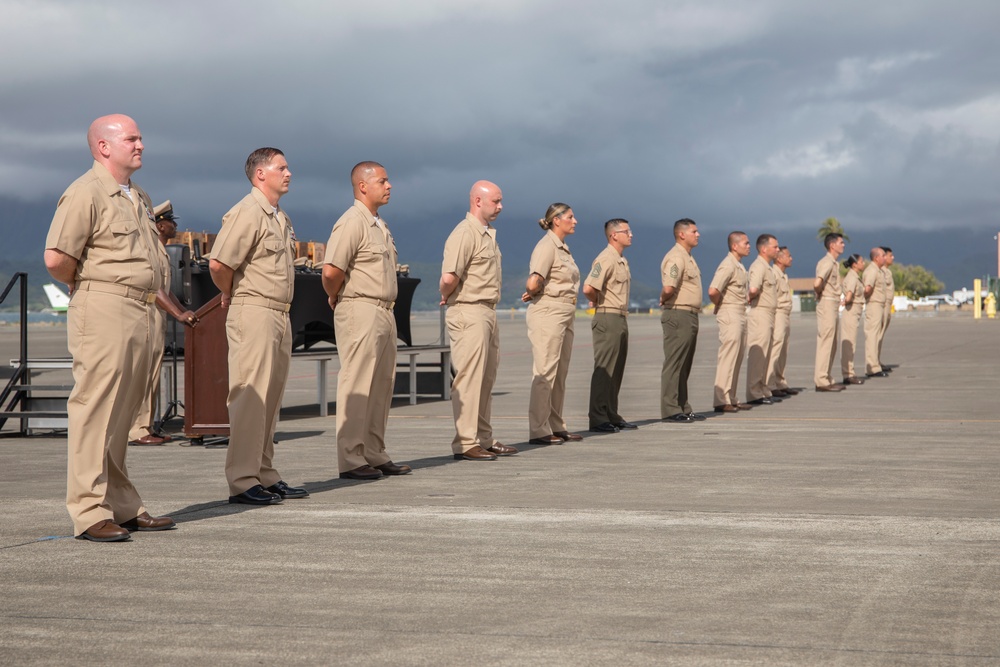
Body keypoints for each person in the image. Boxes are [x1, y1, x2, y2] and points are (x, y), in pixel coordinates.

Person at [43, 114, 176, 541]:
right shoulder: (86, 192)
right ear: (103, 146)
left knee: (122, 416)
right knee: (95, 410)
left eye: (140, 138)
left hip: (141, 311)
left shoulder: (136, 196)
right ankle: (88, 511)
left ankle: (121, 504)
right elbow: (57, 259)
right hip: (105, 307)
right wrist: (93, 290)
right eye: (131, 139)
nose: (140, 145)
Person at [209, 148, 308, 505]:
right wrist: (230, 292)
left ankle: (264, 472)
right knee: (250, 397)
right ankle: (242, 479)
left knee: (270, 399)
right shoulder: (248, 212)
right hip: (254, 310)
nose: (289, 173)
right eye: (281, 167)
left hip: (279, 313)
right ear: (260, 174)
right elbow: (220, 263)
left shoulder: (278, 217)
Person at [322, 162, 412, 480]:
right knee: (357, 384)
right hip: (361, 308)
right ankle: (351, 457)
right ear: (363, 185)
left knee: (381, 386)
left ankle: (374, 451)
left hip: (384, 311)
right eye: (383, 181)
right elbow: (331, 271)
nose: (389, 186)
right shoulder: (352, 222)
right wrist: (336, 296)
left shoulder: (379, 225)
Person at [440, 181, 518, 461]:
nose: (500, 206)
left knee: (485, 378)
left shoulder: (486, 234)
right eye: (495, 201)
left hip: (487, 311)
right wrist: (447, 296)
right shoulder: (465, 233)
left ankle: (483, 437)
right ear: (477, 201)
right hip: (469, 309)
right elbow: (449, 278)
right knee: (469, 379)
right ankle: (465, 441)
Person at [128, 201, 198, 446]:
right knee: (143, 375)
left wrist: (183, 311)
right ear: (159, 225)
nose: (174, 225)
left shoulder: (161, 249)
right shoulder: (148, 248)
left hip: (158, 318)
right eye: (170, 221)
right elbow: (155, 288)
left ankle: (147, 425)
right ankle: (137, 430)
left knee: (153, 375)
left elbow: (167, 292)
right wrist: (178, 315)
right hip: (146, 315)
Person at [522, 203, 582, 445]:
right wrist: (534, 291)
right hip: (550, 311)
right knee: (545, 372)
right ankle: (539, 429)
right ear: (557, 220)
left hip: (564, 311)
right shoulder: (547, 245)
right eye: (570, 216)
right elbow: (533, 281)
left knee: (560, 373)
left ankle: (555, 424)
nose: (574, 220)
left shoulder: (563, 248)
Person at [583, 219, 636, 434]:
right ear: (614, 235)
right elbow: (588, 287)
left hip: (620, 317)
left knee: (616, 369)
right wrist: (597, 301)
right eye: (626, 231)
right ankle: (597, 417)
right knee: (604, 369)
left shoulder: (621, 260)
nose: (631, 234)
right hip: (608, 317)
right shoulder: (606, 258)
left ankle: (611, 413)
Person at [659, 218, 703, 423]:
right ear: (681, 234)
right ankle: (670, 408)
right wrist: (663, 298)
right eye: (694, 231)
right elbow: (669, 287)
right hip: (678, 314)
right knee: (675, 363)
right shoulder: (676, 257)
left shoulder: (688, 257)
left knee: (685, 364)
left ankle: (683, 406)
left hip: (690, 314)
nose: (698, 234)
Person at [708, 231, 752, 413]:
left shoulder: (739, 266)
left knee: (737, 356)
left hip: (740, 312)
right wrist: (720, 304)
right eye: (746, 243)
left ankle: (731, 397)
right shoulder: (728, 265)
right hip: (730, 311)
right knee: (728, 356)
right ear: (735, 246)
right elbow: (713, 290)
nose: (749, 246)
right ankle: (721, 399)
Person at [745, 234, 780, 405]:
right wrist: (749, 297)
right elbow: (753, 288)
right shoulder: (758, 266)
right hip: (760, 313)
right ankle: (754, 392)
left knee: (766, 354)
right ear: (764, 249)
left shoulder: (767, 267)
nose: (777, 250)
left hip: (769, 313)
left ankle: (763, 388)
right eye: (775, 246)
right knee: (758, 354)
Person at [814, 233, 846, 392]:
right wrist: (820, 294)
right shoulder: (826, 262)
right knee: (826, 341)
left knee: (832, 342)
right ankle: (821, 380)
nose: (843, 245)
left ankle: (826, 377)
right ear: (832, 245)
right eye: (841, 242)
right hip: (827, 302)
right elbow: (817, 283)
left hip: (832, 303)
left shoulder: (834, 263)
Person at [766, 246, 798, 397]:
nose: (791, 258)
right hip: (778, 313)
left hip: (786, 314)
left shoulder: (783, 275)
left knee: (783, 351)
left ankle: (780, 381)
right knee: (775, 349)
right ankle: (770, 384)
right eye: (788, 255)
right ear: (779, 258)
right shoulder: (774, 274)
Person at [840, 253, 866, 385]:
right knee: (849, 344)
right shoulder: (852, 277)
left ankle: (849, 373)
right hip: (851, 311)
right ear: (854, 264)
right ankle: (848, 374)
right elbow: (849, 296)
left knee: (852, 343)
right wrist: (844, 302)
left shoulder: (855, 276)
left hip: (855, 312)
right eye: (861, 261)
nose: (864, 263)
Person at [862, 247, 888, 378]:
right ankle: (872, 368)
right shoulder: (872, 270)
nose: (885, 258)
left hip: (879, 305)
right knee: (872, 336)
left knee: (876, 336)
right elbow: (867, 289)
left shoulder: (879, 270)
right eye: (883, 255)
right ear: (876, 258)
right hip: (874, 305)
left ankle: (875, 363)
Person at [879, 246, 895, 371]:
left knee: (881, 335)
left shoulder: (887, 271)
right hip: (882, 305)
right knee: (877, 335)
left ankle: (877, 360)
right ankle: (874, 363)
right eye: (890, 255)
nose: (892, 258)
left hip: (888, 305)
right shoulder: (880, 271)